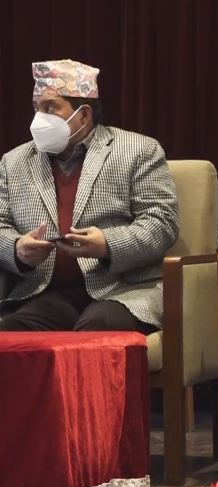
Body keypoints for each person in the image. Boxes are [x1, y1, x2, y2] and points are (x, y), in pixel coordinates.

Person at [0, 59, 179, 332]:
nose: (39, 119)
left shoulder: (139, 150)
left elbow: (162, 222)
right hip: (47, 295)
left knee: (98, 327)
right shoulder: (13, 162)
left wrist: (107, 244)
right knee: (12, 335)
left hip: (122, 291)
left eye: (50, 108)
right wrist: (16, 249)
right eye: (36, 108)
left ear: (83, 114)